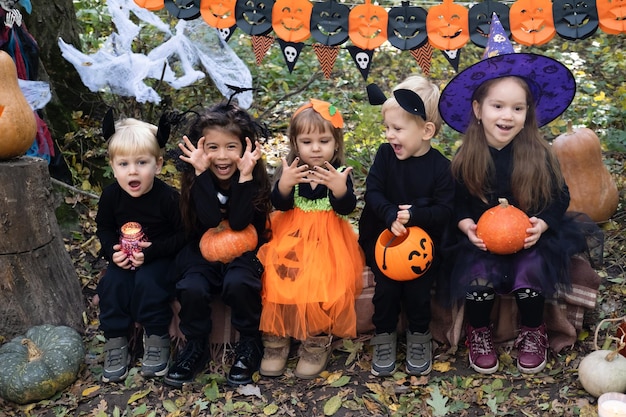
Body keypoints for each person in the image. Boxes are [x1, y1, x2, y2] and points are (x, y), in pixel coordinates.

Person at [437, 15, 586, 375]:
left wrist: (544, 224)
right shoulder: (464, 158)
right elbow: (454, 201)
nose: (508, 116)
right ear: (478, 110)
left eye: (518, 108)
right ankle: (479, 331)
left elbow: (559, 197)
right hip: (480, 239)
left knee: (533, 270)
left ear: (528, 113)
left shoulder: (538, 152)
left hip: (530, 237)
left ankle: (534, 331)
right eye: (498, 106)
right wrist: (465, 223)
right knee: (475, 274)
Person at [164, 102, 272, 387]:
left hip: (245, 252)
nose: (222, 157)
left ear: (246, 148)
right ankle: (196, 345)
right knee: (191, 287)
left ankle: (249, 342)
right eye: (212, 147)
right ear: (200, 149)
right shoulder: (194, 178)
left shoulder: (254, 179)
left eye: (231, 147)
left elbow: (238, 224)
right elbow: (211, 220)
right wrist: (200, 175)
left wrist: (245, 177)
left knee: (239, 282)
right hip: (203, 251)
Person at [256, 99, 364, 379]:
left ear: (336, 143)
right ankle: (276, 338)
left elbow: (346, 208)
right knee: (276, 272)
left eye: (324, 140)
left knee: (323, 278)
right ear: (295, 143)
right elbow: (279, 204)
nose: (315, 148)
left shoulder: (339, 173)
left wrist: (340, 190)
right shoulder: (291, 170)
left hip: (329, 240)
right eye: (307, 141)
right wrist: (284, 184)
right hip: (292, 234)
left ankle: (316, 339)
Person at [358, 76, 454, 377]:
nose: (389, 135)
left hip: (424, 247)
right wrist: (389, 215)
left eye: (397, 129)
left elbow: (445, 210)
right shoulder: (386, 156)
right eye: (387, 128)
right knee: (385, 289)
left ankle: (419, 336)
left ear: (426, 131)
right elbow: (372, 191)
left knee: (418, 290)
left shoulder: (441, 168)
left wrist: (417, 216)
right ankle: (384, 335)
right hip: (383, 240)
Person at [96, 117, 186, 383]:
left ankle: (157, 337)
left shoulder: (168, 198)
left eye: (141, 163)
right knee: (112, 284)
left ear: (157, 165)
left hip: (158, 257)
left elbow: (184, 234)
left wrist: (153, 251)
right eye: (123, 164)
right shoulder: (111, 196)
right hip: (124, 257)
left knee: (149, 283)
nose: (132, 171)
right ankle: (115, 340)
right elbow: (104, 227)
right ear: (113, 167)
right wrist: (111, 251)